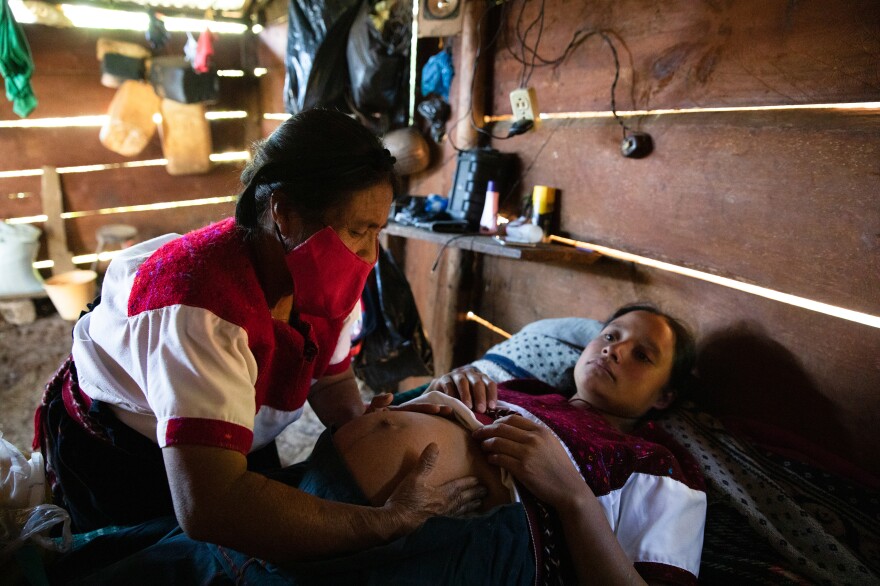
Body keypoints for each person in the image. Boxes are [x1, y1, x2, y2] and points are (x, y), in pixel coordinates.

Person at [33, 108, 485, 564]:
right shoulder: (203, 308)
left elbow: (328, 379)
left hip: (233, 435)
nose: (369, 255)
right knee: (151, 562)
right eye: (356, 232)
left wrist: (362, 424)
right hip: (126, 456)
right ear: (283, 213)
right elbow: (209, 504)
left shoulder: (320, 283)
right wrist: (385, 522)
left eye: (376, 233)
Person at [329, 303, 706, 584]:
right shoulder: (522, 390)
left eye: (642, 355)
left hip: (463, 544)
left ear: (664, 397)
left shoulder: (657, 463)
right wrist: (444, 389)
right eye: (609, 336)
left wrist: (573, 497)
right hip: (335, 486)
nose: (613, 350)